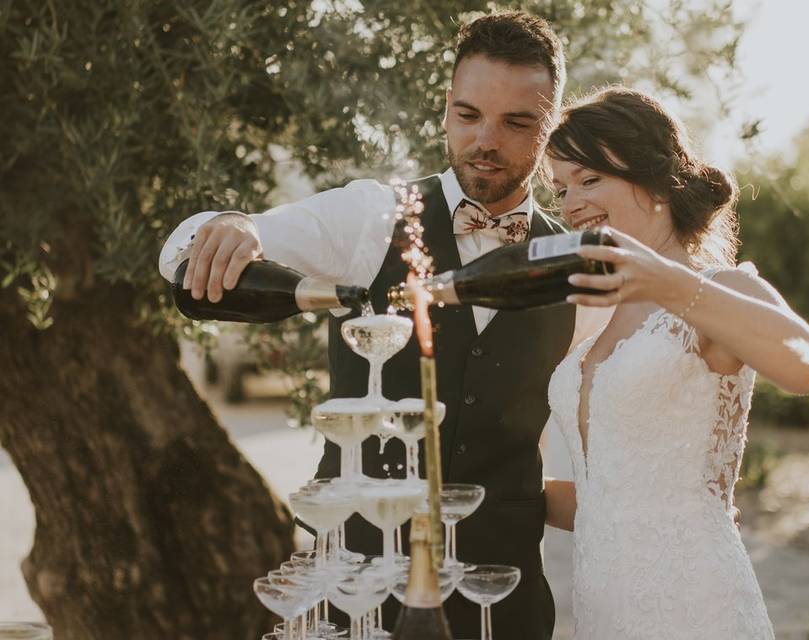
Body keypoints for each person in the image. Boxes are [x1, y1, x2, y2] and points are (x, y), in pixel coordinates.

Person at [159, 11, 572, 640]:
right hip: (361, 584)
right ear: (444, 111)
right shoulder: (373, 216)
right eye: (467, 115)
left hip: (501, 593)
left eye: (516, 123)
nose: (486, 140)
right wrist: (236, 225)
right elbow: (188, 252)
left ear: (550, 128)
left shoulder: (568, 263)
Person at [542, 87, 809, 639]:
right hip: (603, 611)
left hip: (696, 605)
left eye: (590, 178)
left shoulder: (719, 289)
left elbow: (808, 368)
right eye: (562, 188)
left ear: (653, 180)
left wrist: (672, 282)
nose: (571, 202)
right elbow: (610, 499)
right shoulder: (592, 317)